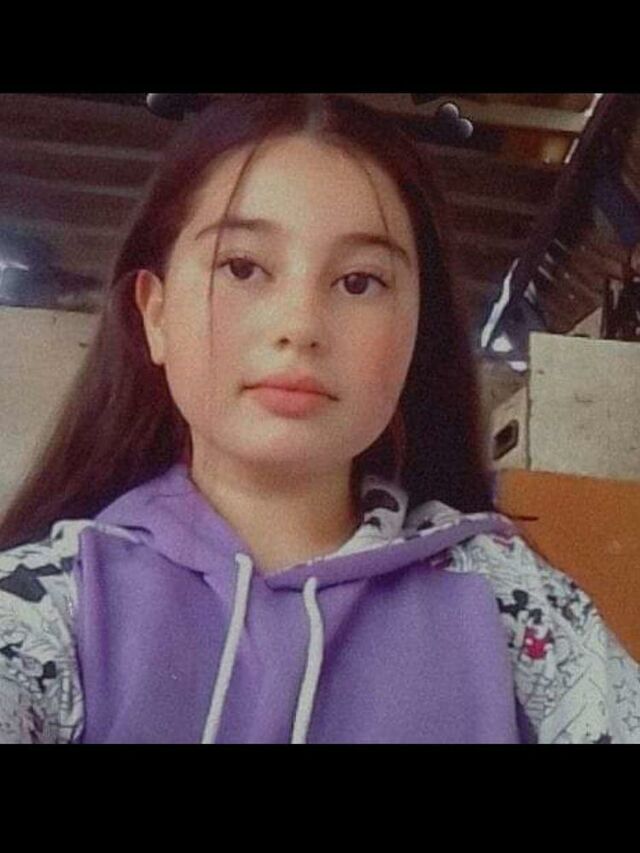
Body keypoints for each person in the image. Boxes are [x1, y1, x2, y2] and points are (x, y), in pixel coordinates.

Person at [0, 93, 638, 744]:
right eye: (242, 267)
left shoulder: (514, 604)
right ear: (155, 315)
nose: (300, 325)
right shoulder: (54, 607)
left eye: (360, 281)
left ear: (417, 330)